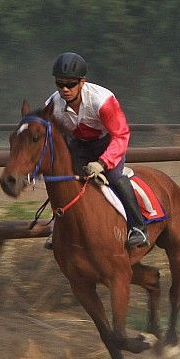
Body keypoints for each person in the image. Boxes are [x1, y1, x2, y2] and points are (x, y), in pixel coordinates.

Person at [43, 51, 148, 250]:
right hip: (79, 144)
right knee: (63, 180)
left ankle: (138, 227)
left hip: (107, 144)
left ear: (82, 82)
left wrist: (102, 163)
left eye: (71, 84)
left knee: (115, 177)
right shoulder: (52, 104)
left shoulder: (102, 101)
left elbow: (121, 134)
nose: (65, 89)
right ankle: (58, 226)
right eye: (59, 84)